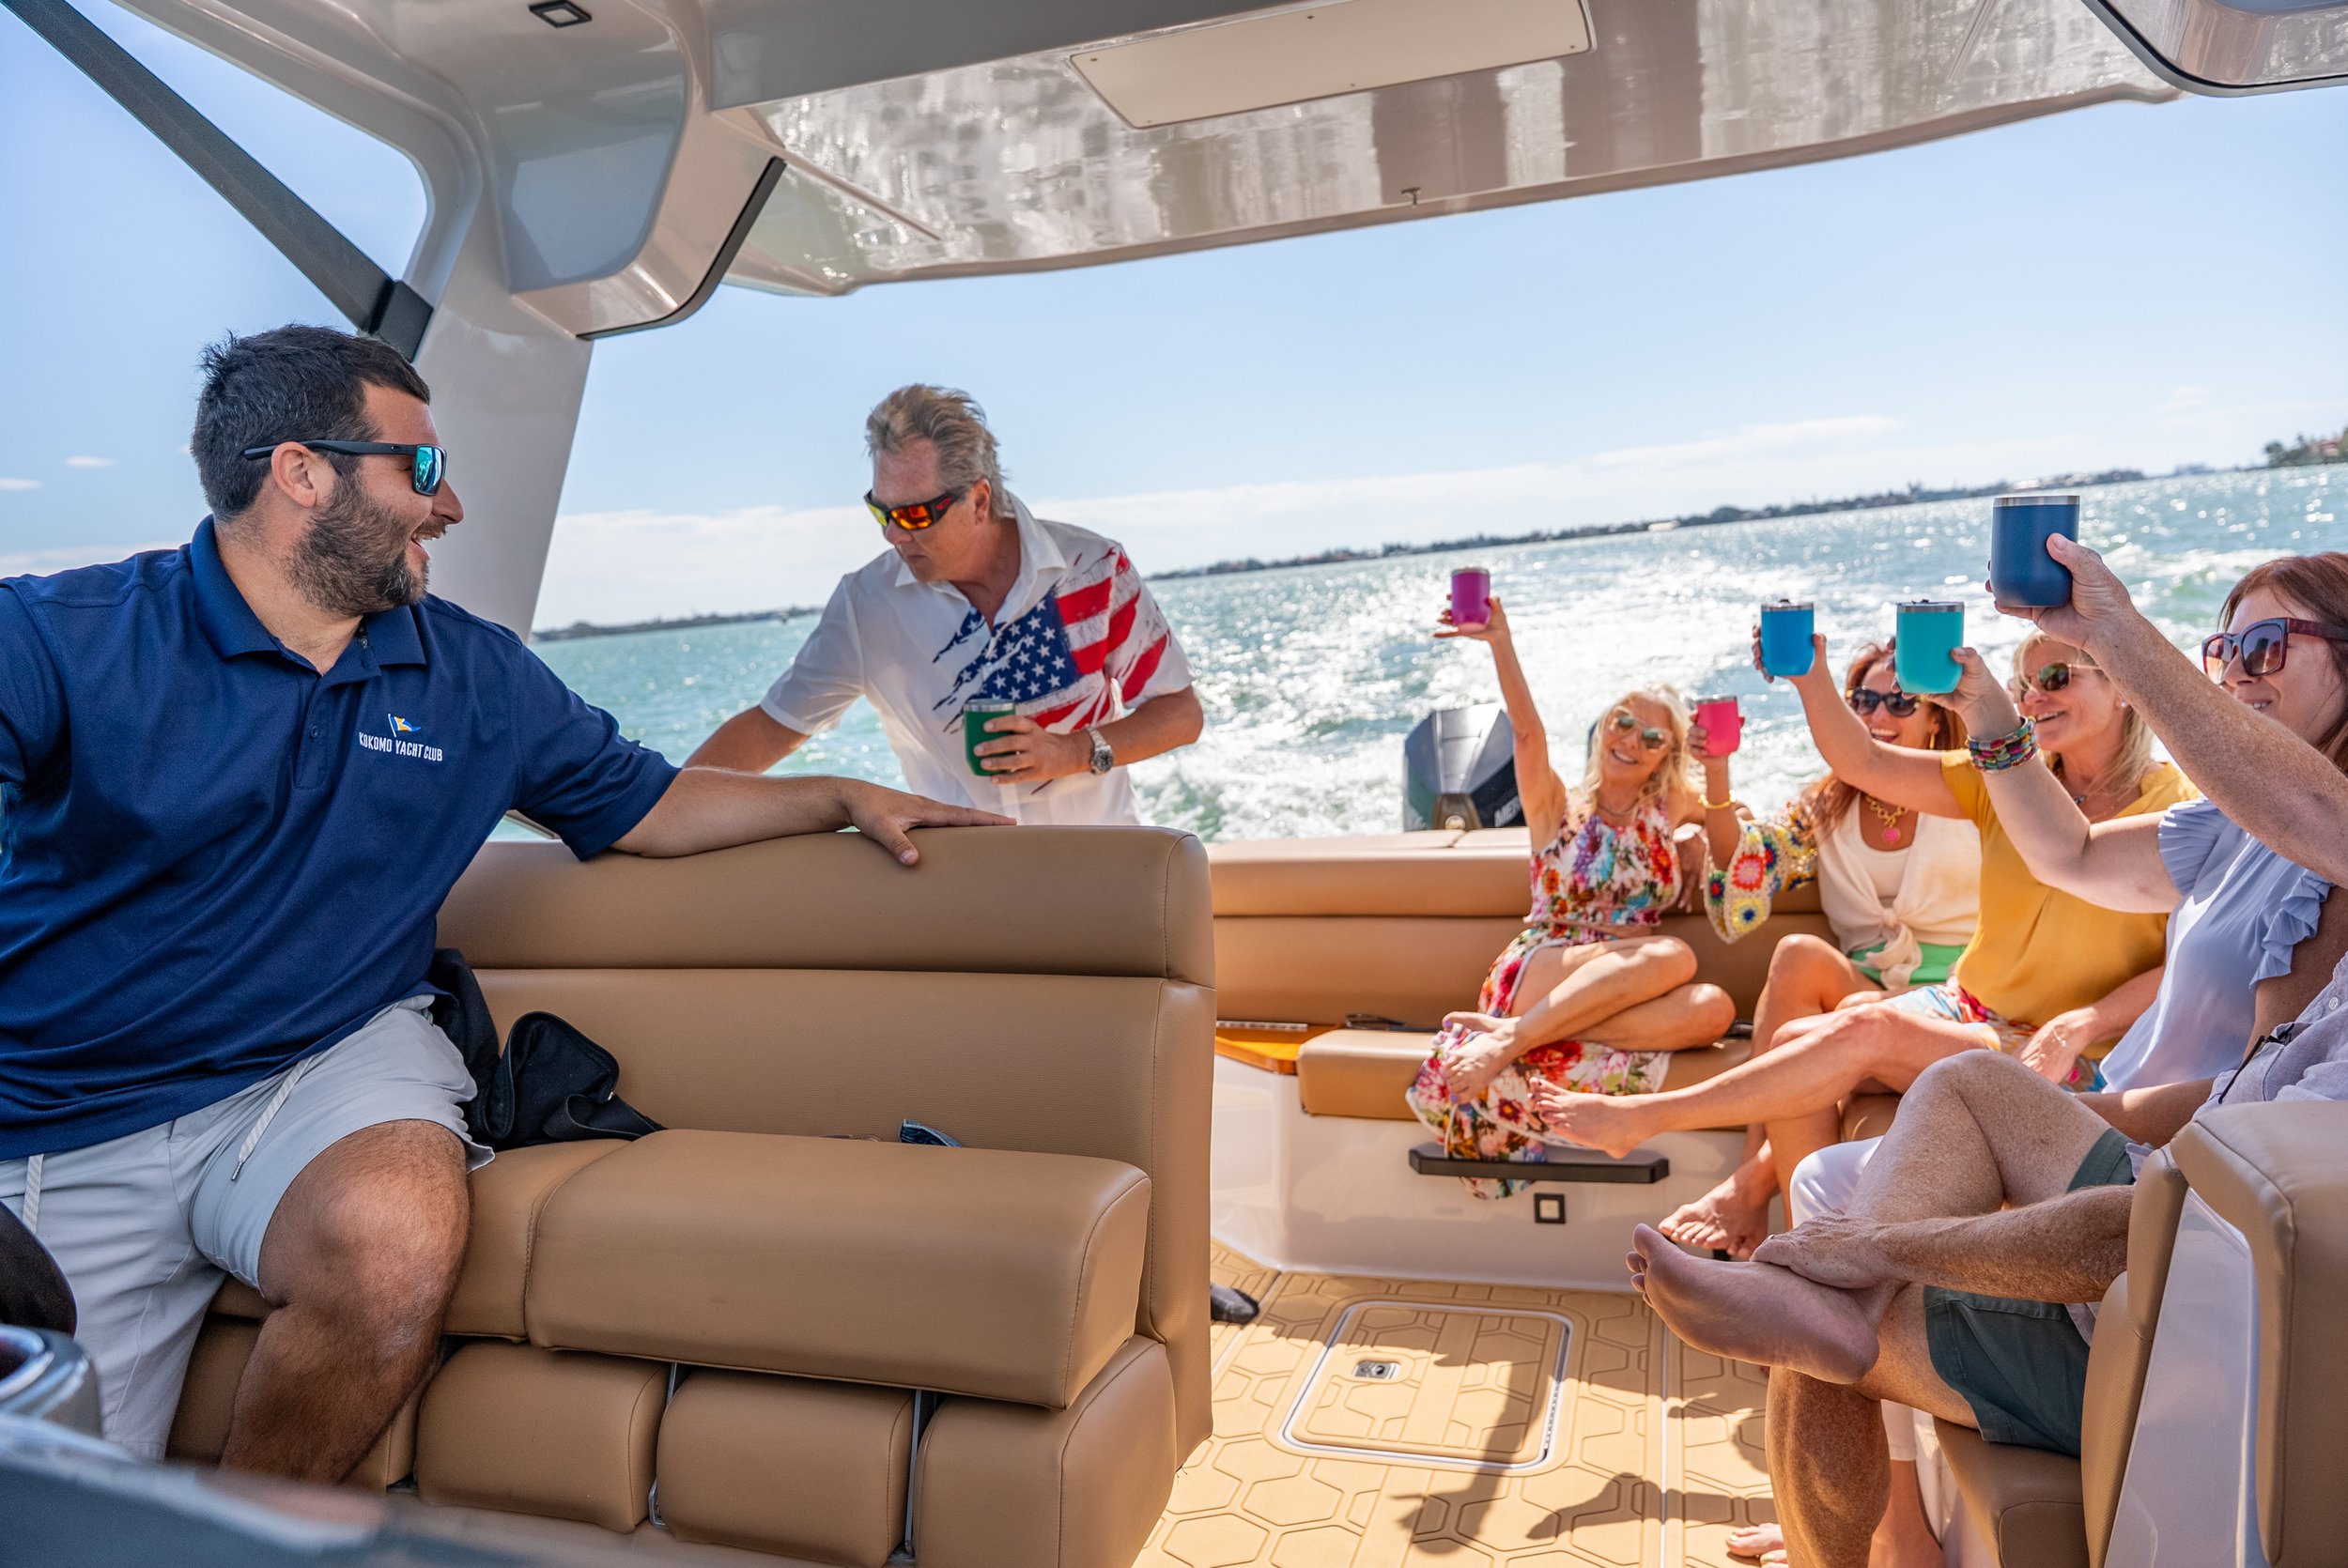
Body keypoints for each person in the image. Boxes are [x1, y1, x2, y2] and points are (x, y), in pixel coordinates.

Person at [0, 327, 1002, 1478]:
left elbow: (647, 806)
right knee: (46, 1495)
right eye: (421, 469)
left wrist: (833, 791)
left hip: (322, 1061)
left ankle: (247, 1538)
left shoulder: (472, 672)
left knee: (391, 1239)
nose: (453, 503)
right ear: (300, 473)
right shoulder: (59, 641)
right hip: (66, 1109)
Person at [1629, 903, 2348, 1568]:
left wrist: (1868, 1249)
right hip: (2183, 1207)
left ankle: (1837, 1340)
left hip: (2197, 1348)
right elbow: (2237, 1095)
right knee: (1971, 1082)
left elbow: (2150, 1237)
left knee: (1811, 1334)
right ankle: (1832, 1305)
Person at [1529, 628, 2192, 1161]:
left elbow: (2203, 956)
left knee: (1867, 1026)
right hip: (1971, 1009)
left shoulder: (2183, 809)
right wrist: (1809, 675)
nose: (2034, 697)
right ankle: (1801, 1244)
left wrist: (2086, 1022)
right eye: (2025, 685)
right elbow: (1864, 766)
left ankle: (1642, 1119)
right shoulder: (2007, 778)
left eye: (2055, 679)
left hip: (2084, 1050)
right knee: (1793, 1034)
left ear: (2125, 689)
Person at [688, 385, 1204, 823]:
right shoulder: (867, 605)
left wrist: (1071, 751)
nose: (893, 535)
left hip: (1105, 869)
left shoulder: (1093, 567)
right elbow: (770, 727)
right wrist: (661, 812)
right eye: (880, 512)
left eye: (913, 515)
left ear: (979, 501)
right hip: (966, 887)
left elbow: (1180, 713)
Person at [1405, 595, 1736, 1196]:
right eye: (1623, 721)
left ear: (1668, 756)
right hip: (1544, 963)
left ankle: (1522, 1039)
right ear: (1605, 724)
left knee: (1714, 1007)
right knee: (1675, 958)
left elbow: (1734, 818)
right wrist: (1500, 641)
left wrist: (1694, 829)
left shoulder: (1668, 808)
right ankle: (1509, 1035)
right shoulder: (1557, 807)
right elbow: (1527, 733)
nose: (1632, 738)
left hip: (1616, 987)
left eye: (1653, 736)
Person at [1661, 644, 1980, 1259]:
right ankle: (1803, 1251)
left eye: (1899, 701)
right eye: (1862, 700)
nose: (1876, 713)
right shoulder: (1824, 805)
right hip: (1860, 1002)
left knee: (1813, 1037)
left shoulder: (1977, 788)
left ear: (1936, 716)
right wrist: (1718, 773)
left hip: (1959, 1005)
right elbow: (1747, 876)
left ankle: (1750, 1189)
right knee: (1799, 954)